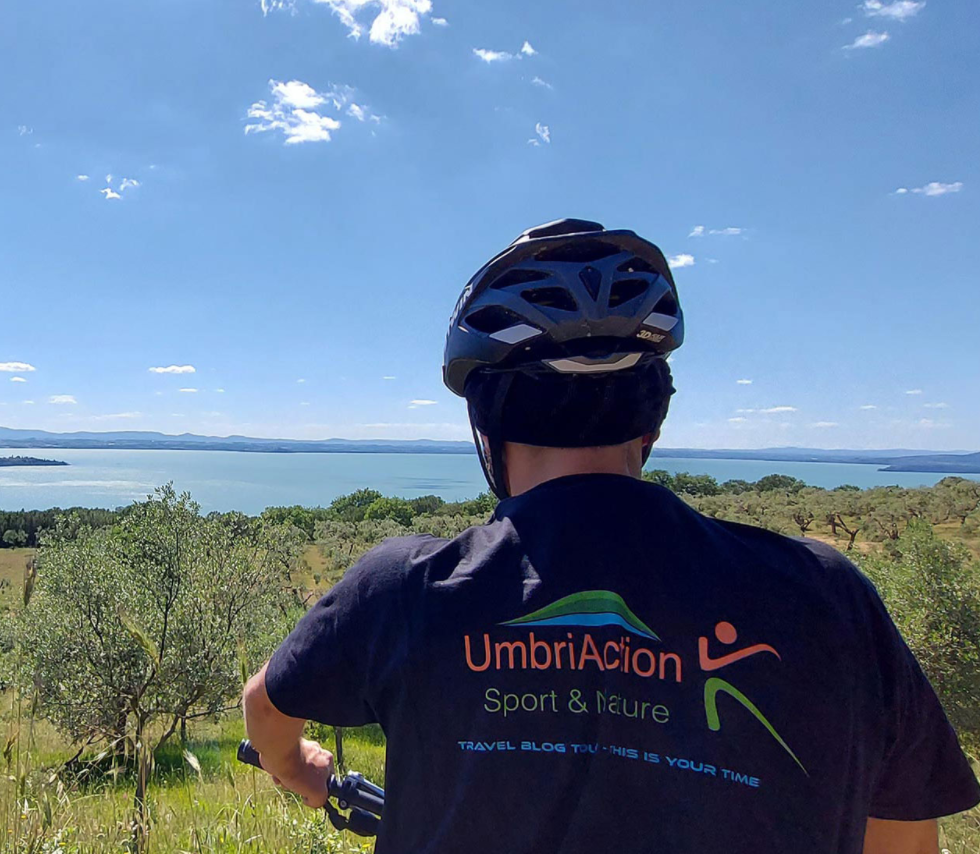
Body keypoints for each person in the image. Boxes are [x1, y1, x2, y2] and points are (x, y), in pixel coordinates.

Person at [243, 218, 979, 853]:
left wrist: (308, 773)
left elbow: (267, 709)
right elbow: (905, 831)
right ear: (653, 419)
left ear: (487, 425)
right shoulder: (828, 596)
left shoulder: (403, 587)